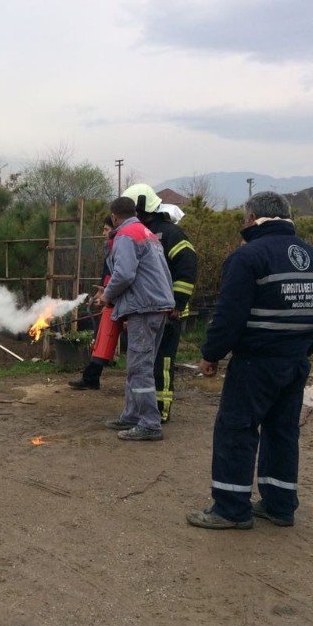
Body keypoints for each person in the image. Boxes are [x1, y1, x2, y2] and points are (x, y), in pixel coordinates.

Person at [187, 192, 313, 529]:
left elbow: (229, 316)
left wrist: (211, 354)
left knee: (236, 430)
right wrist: (300, 352)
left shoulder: (248, 257)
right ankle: (280, 506)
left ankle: (230, 509)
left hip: (255, 363)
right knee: (282, 431)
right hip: (294, 362)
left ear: (251, 219)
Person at [100, 195, 175, 441]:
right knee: (139, 365)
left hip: (144, 308)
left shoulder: (124, 236)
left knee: (139, 368)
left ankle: (150, 423)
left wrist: (106, 296)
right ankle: (132, 415)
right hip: (157, 305)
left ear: (114, 216)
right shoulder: (146, 232)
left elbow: (124, 274)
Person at [126, 184, 199, 423]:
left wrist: (177, 304)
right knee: (145, 362)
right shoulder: (143, 232)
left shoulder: (172, 234)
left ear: (141, 208)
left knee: (163, 362)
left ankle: (161, 408)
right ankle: (144, 409)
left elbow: (187, 269)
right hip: (148, 310)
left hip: (170, 312)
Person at [68, 216, 121, 390]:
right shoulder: (110, 247)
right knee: (101, 338)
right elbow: (108, 274)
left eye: (106, 229)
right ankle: (91, 378)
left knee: (105, 338)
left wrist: (107, 294)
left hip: (124, 300)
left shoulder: (121, 246)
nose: (103, 233)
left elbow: (122, 275)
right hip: (113, 299)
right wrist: (101, 291)